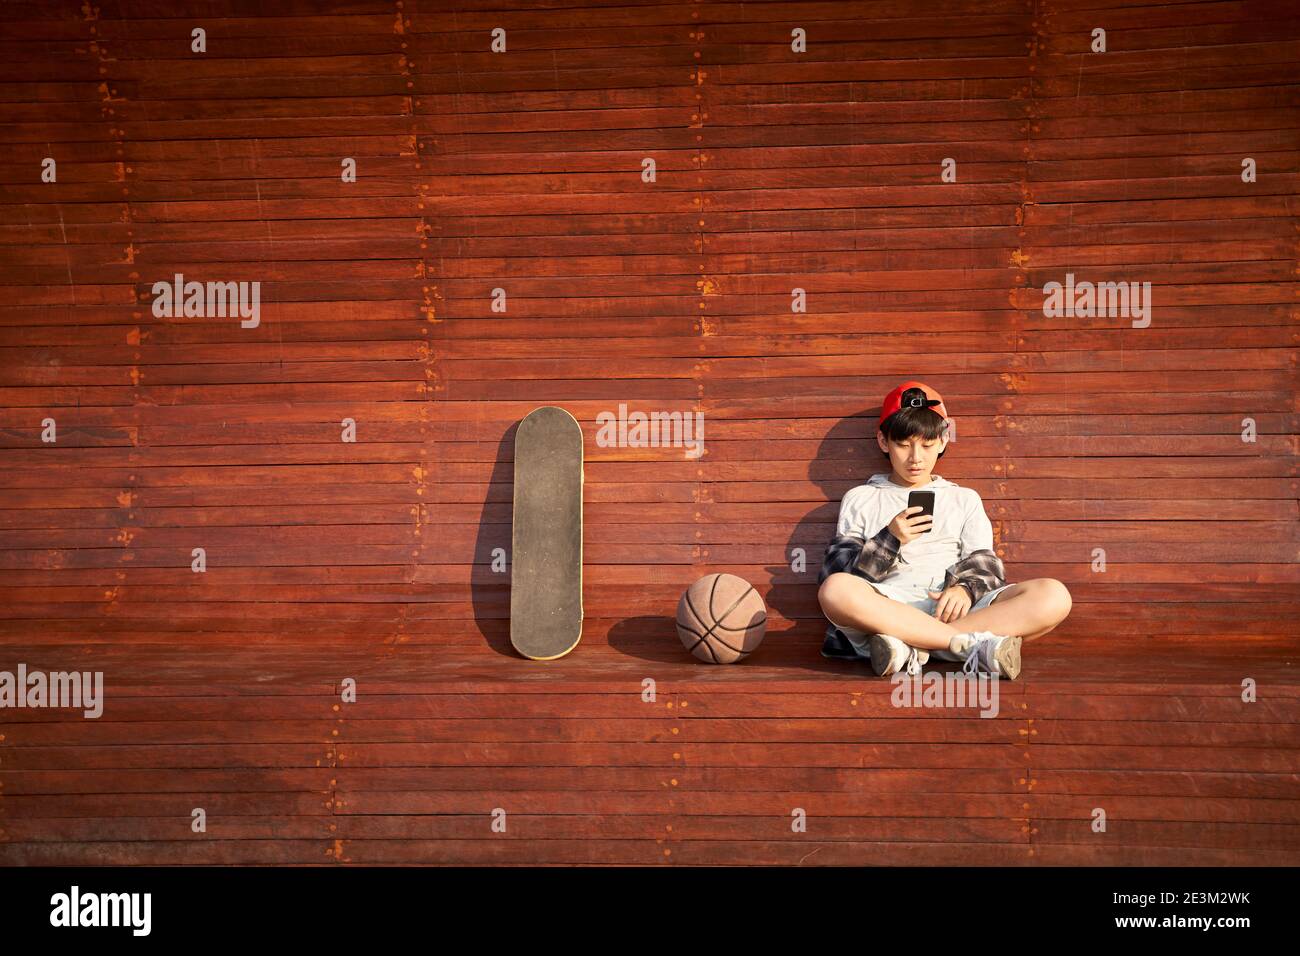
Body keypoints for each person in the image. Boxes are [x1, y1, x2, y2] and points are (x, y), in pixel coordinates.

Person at [816, 381, 1072, 678]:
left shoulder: (963, 498)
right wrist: (890, 538)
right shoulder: (862, 497)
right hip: (887, 608)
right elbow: (839, 574)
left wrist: (964, 589)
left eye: (926, 445)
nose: (915, 458)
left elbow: (986, 566)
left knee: (1054, 595)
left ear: (942, 440)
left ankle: (911, 647)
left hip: (955, 611)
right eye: (903, 444)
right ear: (884, 442)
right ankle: (967, 646)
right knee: (835, 590)